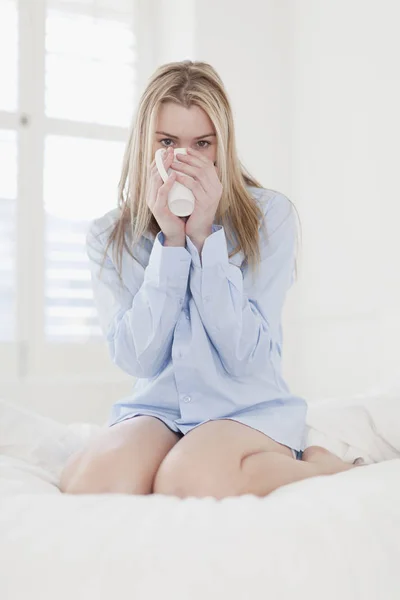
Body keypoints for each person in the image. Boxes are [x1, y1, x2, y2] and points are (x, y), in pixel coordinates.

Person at [60, 60, 362, 499]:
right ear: (145, 145)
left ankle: (322, 467)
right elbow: (138, 360)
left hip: (245, 408)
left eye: (202, 143)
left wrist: (204, 239)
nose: (186, 160)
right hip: (158, 408)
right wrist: (170, 245)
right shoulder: (111, 236)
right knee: (93, 484)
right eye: (168, 142)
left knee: (186, 480)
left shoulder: (269, 216)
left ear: (222, 145)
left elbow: (246, 358)